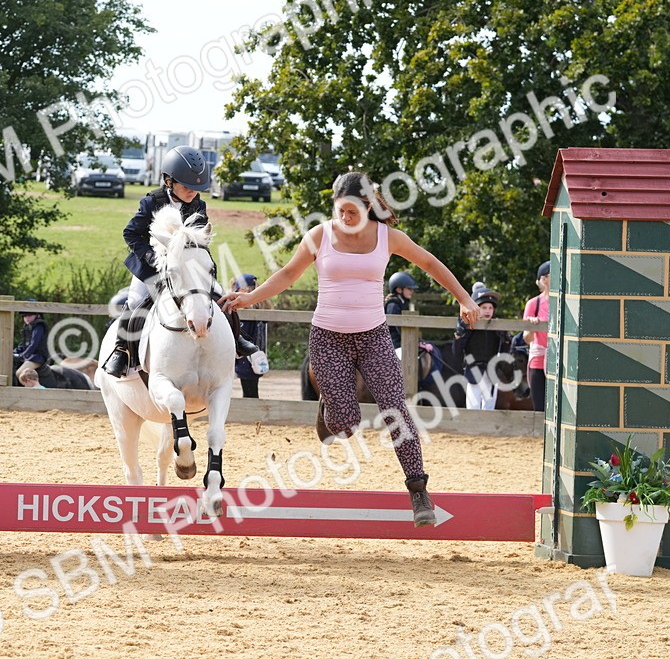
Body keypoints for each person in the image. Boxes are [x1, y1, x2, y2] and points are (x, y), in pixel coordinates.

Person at [220, 172, 480, 526]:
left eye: (352, 212)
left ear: (368, 205)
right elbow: (286, 275)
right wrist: (249, 297)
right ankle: (331, 406)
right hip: (328, 338)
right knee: (345, 424)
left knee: (395, 411)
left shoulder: (388, 237)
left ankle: (418, 491)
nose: (345, 217)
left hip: (373, 337)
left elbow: (430, 264)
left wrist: (464, 298)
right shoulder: (319, 236)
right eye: (340, 210)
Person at [101, 145, 259, 377]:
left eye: (197, 188)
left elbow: (199, 238)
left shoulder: (199, 205)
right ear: (169, 181)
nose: (192, 192)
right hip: (151, 265)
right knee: (135, 300)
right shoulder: (152, 202)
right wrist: (152, 257)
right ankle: (122, 350)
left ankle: (238, 338)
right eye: (186, 187)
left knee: (219, 292)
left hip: (188, 265)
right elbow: (130, 233)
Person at [453, 283, 509, 410]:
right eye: (484, 307)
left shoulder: (497, 327)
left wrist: (506, 340)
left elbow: (505, 352)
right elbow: (457, 351)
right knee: (473, 406)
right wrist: (459, 335)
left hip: (492, 370)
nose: (488, 311)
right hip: (473, 370)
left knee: (489, 406)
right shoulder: (468, 327)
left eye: (490, 307)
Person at [231, 274, 268, 398]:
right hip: (251, 356)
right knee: (250, 389)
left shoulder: (248, 313)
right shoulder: (259, 308)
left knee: (249, 391)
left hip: (246, 357)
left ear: (244, 290)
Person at [522, 261, 551, 412]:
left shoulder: (565, 303)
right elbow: (527, 339)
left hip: (560, 361)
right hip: (538, 361)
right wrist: (533, 326)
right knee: (539, 407)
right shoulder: (534, 303)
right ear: (544, 279)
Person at [14, 301, 50, 381]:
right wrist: (14, 352)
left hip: (37, 357)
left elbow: (34, 344)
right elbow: (23, 344)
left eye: (29, 315)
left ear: (36, 315)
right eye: (24, 316)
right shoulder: (27, 327)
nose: (27, 318)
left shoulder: (39, 326)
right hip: (29, 356)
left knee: (19, 373)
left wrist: (22, 355)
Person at [384, 270, 416, 348]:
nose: (412, 291)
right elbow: (398, 329)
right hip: (394, 345)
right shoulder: (393, 305)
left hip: (402, 342)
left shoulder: (403, 303)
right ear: (399, 289)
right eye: (409, 289)